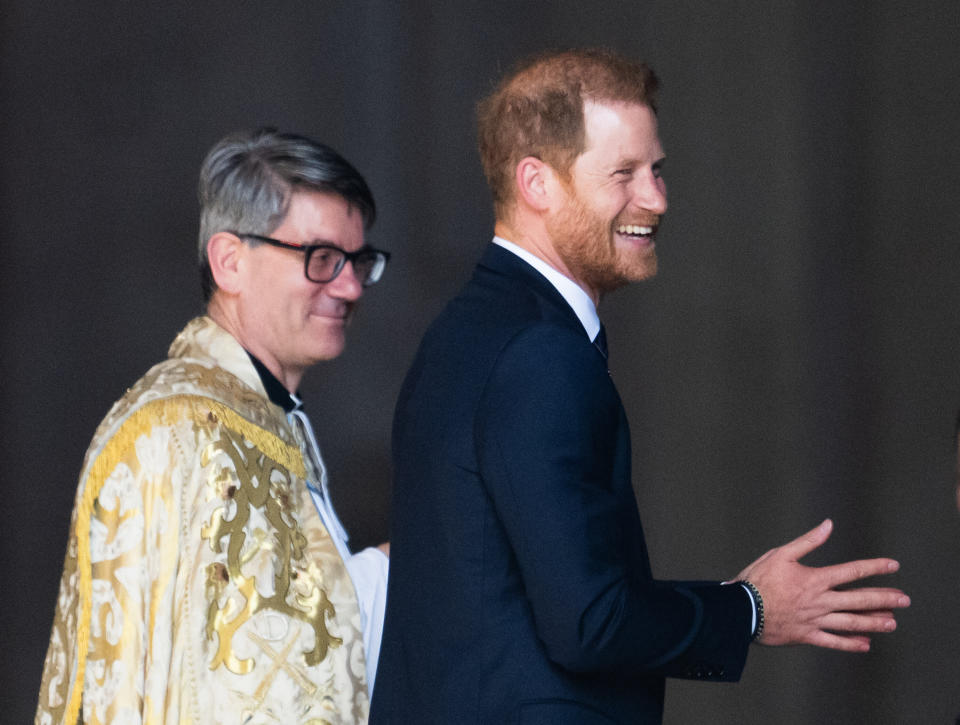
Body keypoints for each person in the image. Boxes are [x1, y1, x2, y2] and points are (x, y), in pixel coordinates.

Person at [371, 50, 909, 724]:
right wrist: (752, 607)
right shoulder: (539, 355)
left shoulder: (470, 330)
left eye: (657, 170)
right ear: (537, 183)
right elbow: (589, 621)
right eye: (623, 173)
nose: (656, 199)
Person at [36, 128, 390, 724]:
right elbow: (239, 683)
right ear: (230, 261)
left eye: (358, 261)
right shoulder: (182, 429)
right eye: (322, 259)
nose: (350, 286)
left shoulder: (257, 417)